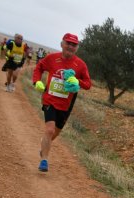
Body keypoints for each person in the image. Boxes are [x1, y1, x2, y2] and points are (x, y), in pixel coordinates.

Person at [32, 33, 91, 173]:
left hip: (66, 104)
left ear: (77, 48)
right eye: (68, 43)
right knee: (50, 130)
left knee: (55, 133)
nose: (70, 46)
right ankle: (44, 160)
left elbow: (88, 84)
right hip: (50, 99)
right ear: (62, 44)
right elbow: (39, 67)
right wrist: (37, 81)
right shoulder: (52, 58)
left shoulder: (80, 65)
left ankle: (44, 147)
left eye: (74, 45)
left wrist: (78, 82)